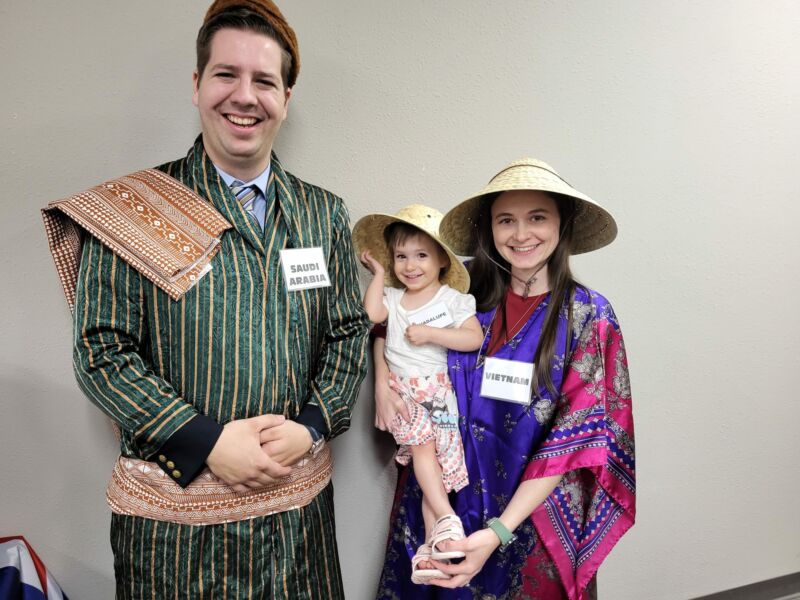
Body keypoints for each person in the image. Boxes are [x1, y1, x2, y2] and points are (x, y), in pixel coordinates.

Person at [41, 1, 369, 597]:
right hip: (176, 542)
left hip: (298, 530)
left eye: (264, 80)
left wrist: (313, 426)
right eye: (226, 74)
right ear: (196, 85)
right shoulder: (131, 211)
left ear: (286, 98)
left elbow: (347, 332)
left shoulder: (322, 214)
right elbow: (101, 353)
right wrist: (207, 442)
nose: (244, 96)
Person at [375, 158, 635, 599]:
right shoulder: (462, 290)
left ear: (562, 223)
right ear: (489, 228)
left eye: (538, 217)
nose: (521, 234)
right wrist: (383, 384)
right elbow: (388, 323)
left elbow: (576, 438)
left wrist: (499, 531)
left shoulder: (589, 316)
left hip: (529, 520)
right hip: (447, 500)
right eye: (506, 220)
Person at [353, 205, 483, 584]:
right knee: (423, 448)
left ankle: (432, 543)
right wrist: (378, 275)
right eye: (401, 257)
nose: (410, 266)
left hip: (439, 393)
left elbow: (473, 338)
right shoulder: (393, 298)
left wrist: (431, 334)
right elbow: (371, 314)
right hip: (403, 393)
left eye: (422, 255)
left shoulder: (451, 299)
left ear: (442, 260)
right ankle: (447, 518)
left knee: (436, 469)